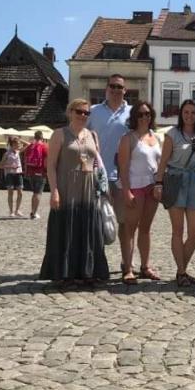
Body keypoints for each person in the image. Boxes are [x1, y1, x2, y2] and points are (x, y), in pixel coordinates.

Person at [39, 99, 109, 285]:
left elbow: (97, 164)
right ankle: (64, 273)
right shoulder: (59, 134)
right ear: (70, 112)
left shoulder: (93, 135)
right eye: (79, 111)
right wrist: (54, 191)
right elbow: (51, 166)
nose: (83, 115)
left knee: (88, 230)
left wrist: (102, 189)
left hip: (88, 189)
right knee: (66, 230)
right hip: (67, 188)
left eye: (86, 113)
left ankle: (88, 272)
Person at [153, 100, 195, 287]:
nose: (189, 116)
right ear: (181, 114)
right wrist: (158, 183)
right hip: (176, 180)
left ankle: (180, 270)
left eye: (193, 112)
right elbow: (163, 161)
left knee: (194, 232)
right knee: (178, 230)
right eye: (186, 112)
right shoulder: (172, 134)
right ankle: (182, 272)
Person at [117, 101, 162, 284]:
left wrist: (160, 184)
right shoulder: (128, 138)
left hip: (152, 187)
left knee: (146, 229)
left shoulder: (156, 137)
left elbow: (160, 164)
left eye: (148, 114)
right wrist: (126, 191)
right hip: (135, 186)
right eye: (141, 114)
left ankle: (145, 266)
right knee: (130, 229)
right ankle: (128, 269)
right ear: (135, 116)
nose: (144, 117)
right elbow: (123, 168)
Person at [88, 74, 132, 261]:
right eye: (112, 86)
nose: (115, 90)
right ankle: (97, 262)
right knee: (96, 221)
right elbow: (81, 137)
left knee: (125, 223)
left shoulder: (132, 112)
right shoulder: (93, 111)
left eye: (119, 87)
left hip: (123, 177)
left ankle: (126, 263)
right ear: (106, 88)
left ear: (125, 90)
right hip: (96, 176)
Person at [0, 137, 28, 217]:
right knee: (10, 193)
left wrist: (19, 139)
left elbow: (28, 144)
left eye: (19, 144)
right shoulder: (7, 154)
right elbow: (1, 165)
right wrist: (10, 166)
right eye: (17, 144)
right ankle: (11, 211)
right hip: (10, 174)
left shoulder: (18, 152)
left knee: (20, 193)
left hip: (18, 174)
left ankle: (17, 210)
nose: (19, 145)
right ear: (12, 145)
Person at [25, 130, 49, 219]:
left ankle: (33, 211)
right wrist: (47, 171)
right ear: (42, 137)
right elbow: (46, 161)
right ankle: (34, 213)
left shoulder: (30, 146)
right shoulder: (44, 146)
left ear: (34, 137)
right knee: (38, 193)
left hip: (31, 172)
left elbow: (26, 159)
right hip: (40, 172)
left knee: (34, 193)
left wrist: (26, 172)